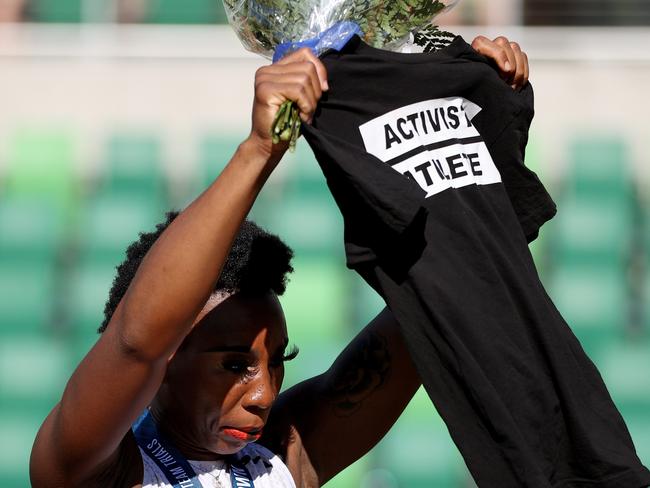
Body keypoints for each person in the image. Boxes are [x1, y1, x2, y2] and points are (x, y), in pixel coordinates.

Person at [30, 35, 530, 488]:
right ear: (168, 357)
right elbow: (138, 341)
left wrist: (468, 125)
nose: (264, 396)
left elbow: (437, 302)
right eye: (235, 364)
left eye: (277, 363)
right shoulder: (95, 471)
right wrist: (262, 149)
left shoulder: (285, 461)